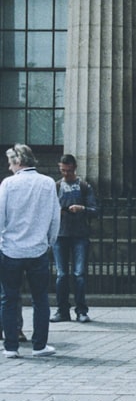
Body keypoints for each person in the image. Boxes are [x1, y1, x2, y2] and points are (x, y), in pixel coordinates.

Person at [1, 144, 61, 359]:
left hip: (11, 250)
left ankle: (10, 347)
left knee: (9, 298)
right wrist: (49, 242)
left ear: (18, 161)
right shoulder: (47, 183)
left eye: (10, 162)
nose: (9, 167)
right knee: (40, 299)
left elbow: (1, 216)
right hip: (37, 250)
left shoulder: (8, 184)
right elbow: (55, 218)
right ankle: (39, 346)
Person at [51, 154, 99, 323]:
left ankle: (81, 310)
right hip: (60, 235)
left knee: (79, 274)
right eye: (63, 170)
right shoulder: (56, 187)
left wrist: (82, 208)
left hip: (80, 235)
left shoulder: (84, 186)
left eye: (69, 171)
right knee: (62, 274)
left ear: (74, 168)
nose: (65, 174)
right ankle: (62, 310)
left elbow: (95, 210)